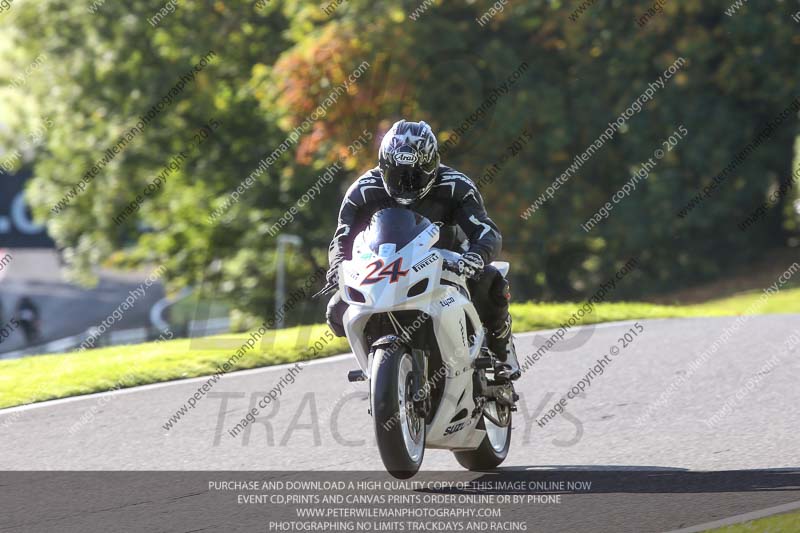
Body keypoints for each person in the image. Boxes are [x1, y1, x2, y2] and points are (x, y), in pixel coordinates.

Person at [325, 119, 520, 380]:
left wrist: (475, 256)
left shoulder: (455, 185)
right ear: (383, 167)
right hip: (385, 268)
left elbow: (487, 231)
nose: (406, 184)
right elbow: (342, 238)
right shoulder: (362, 190)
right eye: (397, 175)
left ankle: (501, 349)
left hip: (446, 262)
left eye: (415, 175)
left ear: (433, 166)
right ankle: (376, 364)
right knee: (337, 310)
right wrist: (338, 265)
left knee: (491, 281)